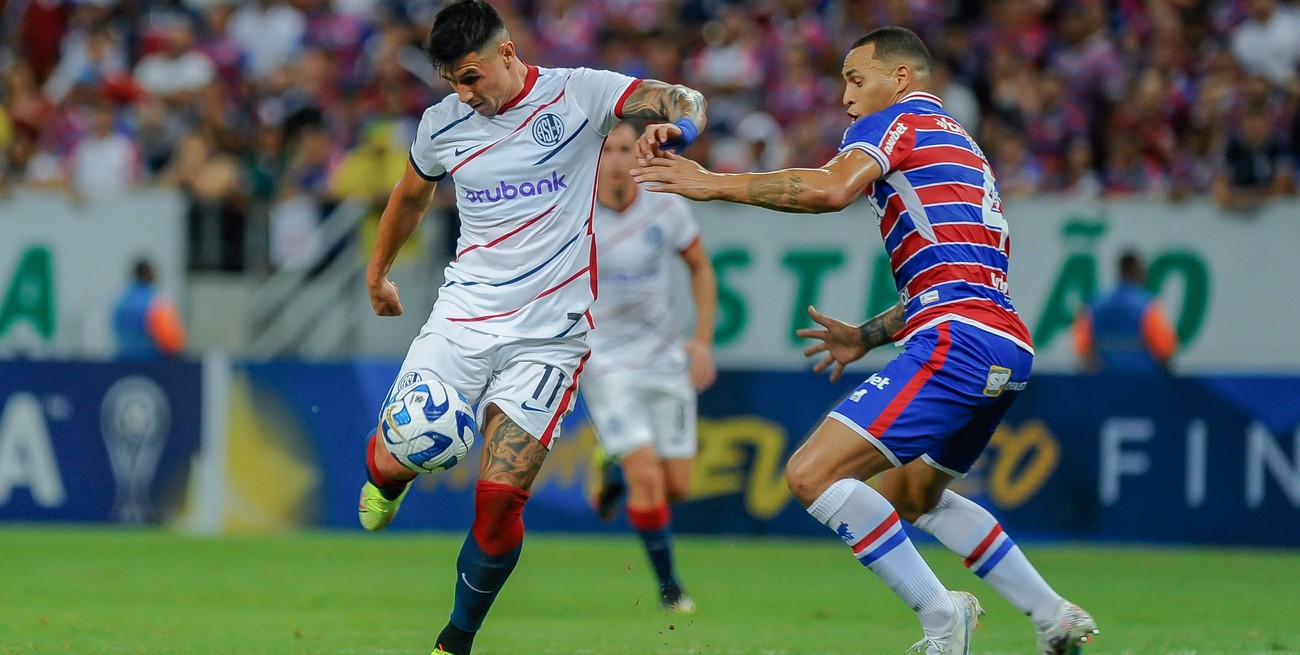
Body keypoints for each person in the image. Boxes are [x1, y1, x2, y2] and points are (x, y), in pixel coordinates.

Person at [631, 26, 1097, 655]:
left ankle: (941, 618)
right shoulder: (962, 146)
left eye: (856, 78)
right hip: (1004, 343)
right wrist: (868, 335)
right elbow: (953, 273)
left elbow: (830, 189)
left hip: (957, 339)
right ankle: (1053, 616)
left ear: (900, 77)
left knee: (810, 474)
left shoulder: (894, 121)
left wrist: (713, 182)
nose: (846, 97)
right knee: (914, 495)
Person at [353, 2, 707, 654]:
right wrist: (378, 274)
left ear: (507, 52)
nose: (464, 93)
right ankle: (385, 478)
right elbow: (409, 195)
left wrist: (678, 127)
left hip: (551, 336)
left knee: (499, 498)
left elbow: (681, 96)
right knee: (394, 456)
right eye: (452, 82)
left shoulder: (581, 94)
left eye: (470, 76)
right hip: (460, 319)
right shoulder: (444, 124)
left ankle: (453, 641)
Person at [582, 120, 717, 613]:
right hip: (605, 363)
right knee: (650, 480)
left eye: (625, 148)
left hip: (665, 360)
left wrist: (701, 341)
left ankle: (611, 467)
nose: (616, 159)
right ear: (594, 160)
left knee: (677, 485)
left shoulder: (666, 205)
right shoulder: (573, 214)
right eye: (607, 150)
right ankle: (670, 588)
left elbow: (701, 267)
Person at [1073, 250, 1177, 374]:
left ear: (1119, 270)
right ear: (1139, 272)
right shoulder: (1148, 306)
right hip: (1142, 382)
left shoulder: (1095, 305)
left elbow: (1082, 348)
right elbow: (1164, 349)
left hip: (1104, 383)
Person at [113, 259, 186, 359]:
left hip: (124, 359)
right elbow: (169, 340)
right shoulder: (156, 303)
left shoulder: (121, 303)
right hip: (152, 362)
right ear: (151, 275)